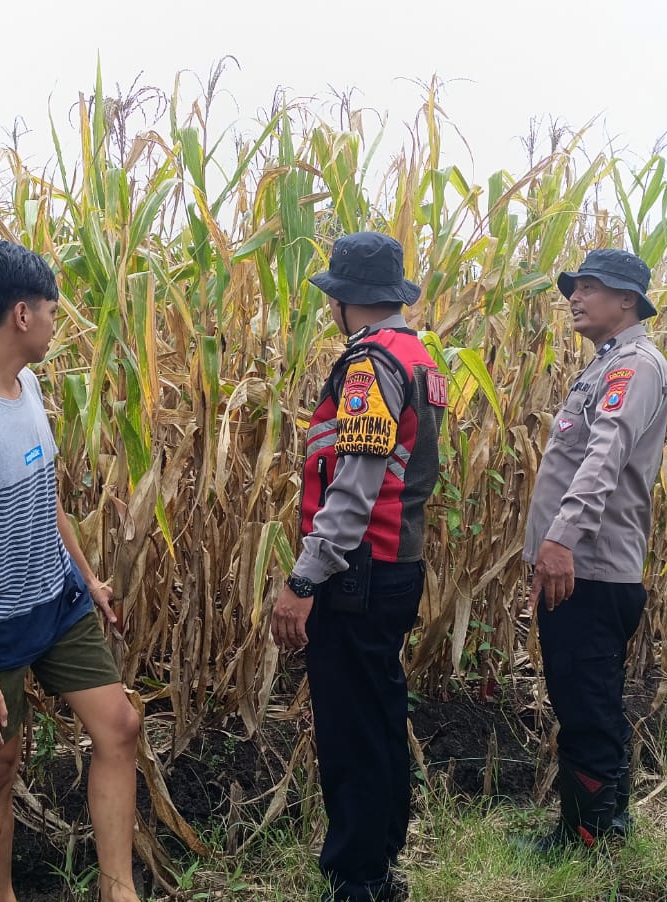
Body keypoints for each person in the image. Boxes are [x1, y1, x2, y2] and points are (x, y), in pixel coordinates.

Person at [0, 239, 142, 902]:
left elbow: (46, 498)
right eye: (50, 308)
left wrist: (89, 576)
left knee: (121, 727)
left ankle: (117, 888)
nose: (54, 321)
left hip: (58, 599)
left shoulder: (28, 386)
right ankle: (1, 896)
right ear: (21, 315)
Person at [271, 231, 448, 901]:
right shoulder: (415, 354)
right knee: (377, 712)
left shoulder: (371, 365)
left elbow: (354, 486)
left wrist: (305, 578)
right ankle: (377, 863)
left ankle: (360, 877)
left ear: (348, 300)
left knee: (352, 724)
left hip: (360, 569)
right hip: (395, 562)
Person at [514, 248, 667, 855]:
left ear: (627, 300)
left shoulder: (633, 366)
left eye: (590, 288)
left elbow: (603, 456)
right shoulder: (609, 365)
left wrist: (559, 539)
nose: (575, 298)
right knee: (584, 699)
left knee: (588, 704)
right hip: (583, 567)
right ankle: (597, 828)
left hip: (592, 570)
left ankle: (588, 839)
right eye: (572, 288)